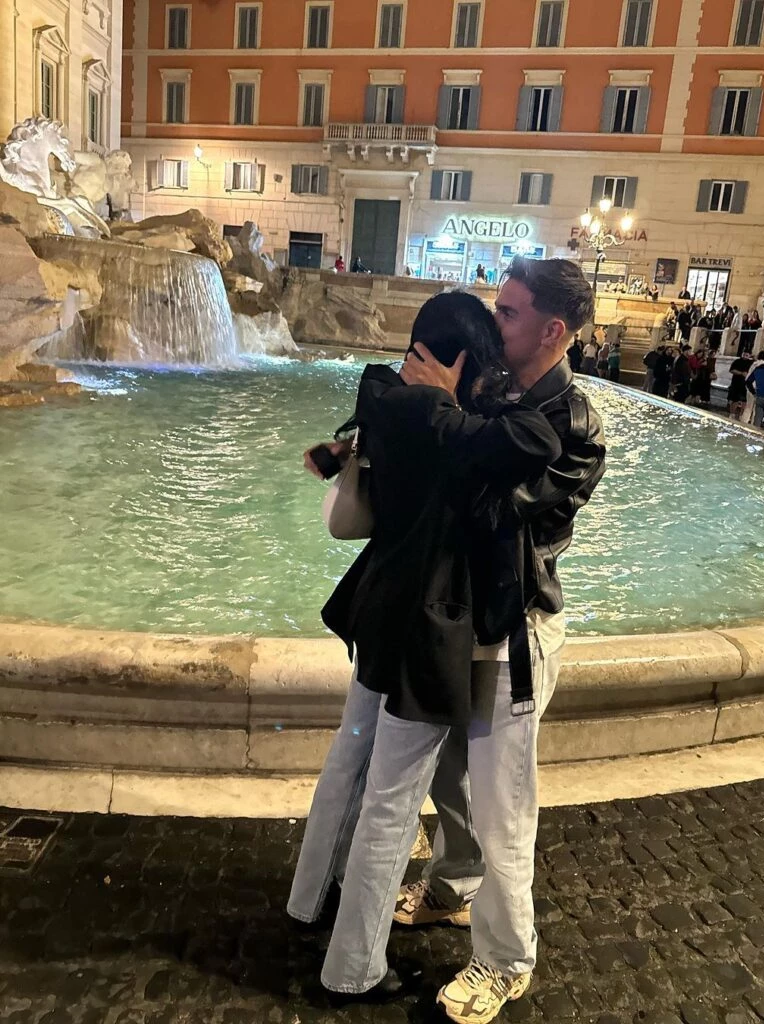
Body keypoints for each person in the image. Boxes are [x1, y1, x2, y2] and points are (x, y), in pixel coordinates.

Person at [289, 260, 606, 1024]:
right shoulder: (485, 391)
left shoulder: (573, 421)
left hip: (507, 632)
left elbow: (504, 511)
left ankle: (504, 960)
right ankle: (450, 885)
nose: (494, 324)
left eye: (508, 313)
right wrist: (364, 443)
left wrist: (433, 421)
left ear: (551, 330)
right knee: (449, 783)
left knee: (503, 805)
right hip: (442, 625)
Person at [727, 351, 754, 419]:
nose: (745, 356)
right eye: (744, 354)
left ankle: (742, 415)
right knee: (734, 399)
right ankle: (732, 414)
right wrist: (741, 373)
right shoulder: (737, 361)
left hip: (745, 384)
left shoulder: (751, 363)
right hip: (736, 383)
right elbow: (732, 370)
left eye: (747, 355)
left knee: (744, 400)